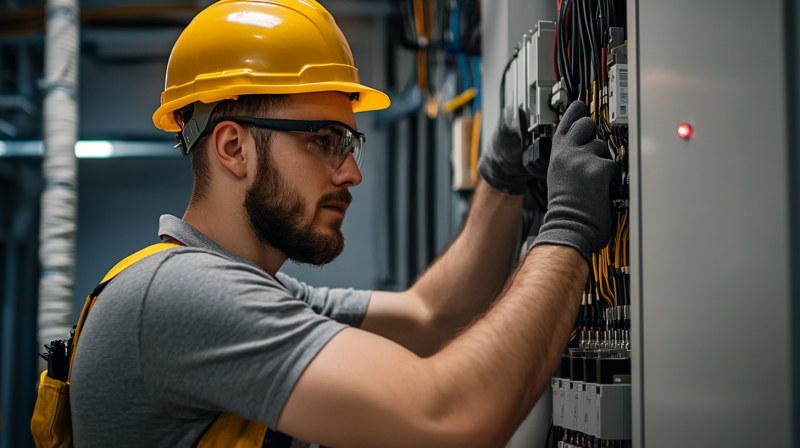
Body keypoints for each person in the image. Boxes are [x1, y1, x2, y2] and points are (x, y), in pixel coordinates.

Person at [69, 1, 618, 447]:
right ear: (233, 147)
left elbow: (432, 315)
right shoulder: (181, 296)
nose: (352, 172)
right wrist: (567, 227)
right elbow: (453, 418)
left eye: (349, 142)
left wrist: (499, 182)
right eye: (322, 141)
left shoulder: (252, 289)